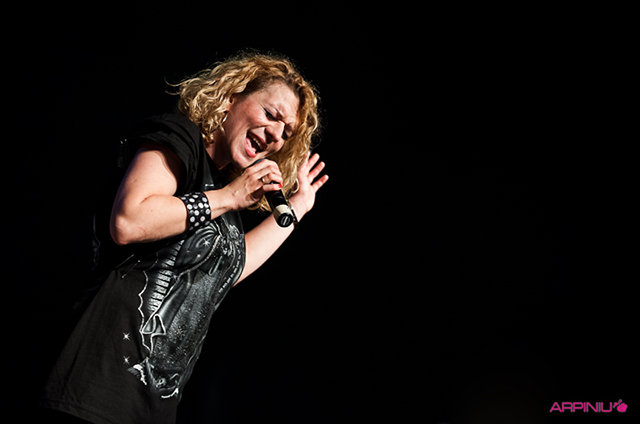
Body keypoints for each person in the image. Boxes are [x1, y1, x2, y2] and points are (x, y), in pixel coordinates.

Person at [39, 52, 328, 424]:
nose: (276, 135)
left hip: (151, 406)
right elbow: (129, 220)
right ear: (230, 98)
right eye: (271, 115)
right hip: (94, 390)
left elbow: (228, 271)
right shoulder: (181, 139)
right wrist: (230, 197)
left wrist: (297, 208)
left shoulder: (225, 195)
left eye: (286, 133)